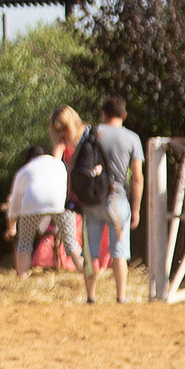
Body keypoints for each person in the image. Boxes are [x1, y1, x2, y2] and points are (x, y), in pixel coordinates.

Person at [77, 93, 144, 304]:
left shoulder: (91, 132)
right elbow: (137, 178)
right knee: (119, 252)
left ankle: (91, 296)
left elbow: (75, 166)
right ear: (124, 115)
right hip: (118, 200)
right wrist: (136, 210)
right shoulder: (132, 138)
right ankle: (121, 296)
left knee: (91, 252)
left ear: (103, 114)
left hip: (92, 200)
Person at [4, 140, 78, 279]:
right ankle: (85, 272)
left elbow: (14, 203)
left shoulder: (25, 170)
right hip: (59, 205)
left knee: (24, 243)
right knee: (71, 243)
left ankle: (22, 277)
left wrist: (11, 228)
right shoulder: (59, 164)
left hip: (32, 204)